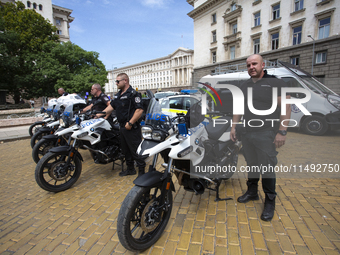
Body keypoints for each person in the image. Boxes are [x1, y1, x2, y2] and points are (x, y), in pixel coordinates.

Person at [230, 54, 291, 221]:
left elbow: (286, 106)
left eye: (254, 64)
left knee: (267, 167)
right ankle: (252, 192)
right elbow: (239, 108)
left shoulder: (275, 83)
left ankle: (270, 201)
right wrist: (234, 127)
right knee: (252, 164)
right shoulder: (244, 86)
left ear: (262, 65)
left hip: (266, 133)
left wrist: (282, 131)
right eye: (248, 64)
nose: (251, 67)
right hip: (247, 133)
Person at [103, 73, 145, 177]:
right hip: (122, 127)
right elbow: (111, 107)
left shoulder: (133, 94)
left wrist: (130, 123)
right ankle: (130, 169)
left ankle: (142, 173)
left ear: (125, 80)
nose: (116, 83)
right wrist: (98, 114)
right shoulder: (118, 95)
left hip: (131, 127)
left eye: (118, 81)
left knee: (136, 150)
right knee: (126, 150)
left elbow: (139, 110)